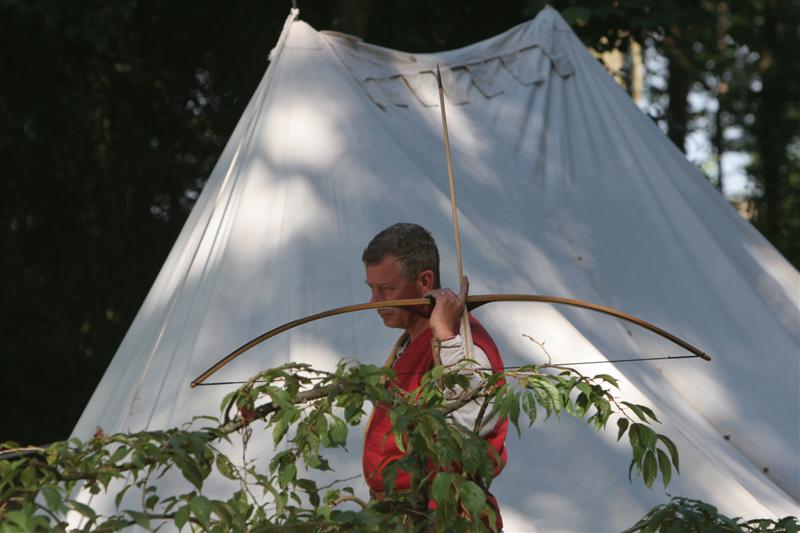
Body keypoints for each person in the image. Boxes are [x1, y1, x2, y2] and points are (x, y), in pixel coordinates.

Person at [361, 222, 507, 528]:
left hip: (444, 519)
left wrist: (443, 332)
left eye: (386, 289)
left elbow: (469, 425)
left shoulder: (465, 342)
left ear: (424, 280)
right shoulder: (412, 340)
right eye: (371, 288)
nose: (374, 302)